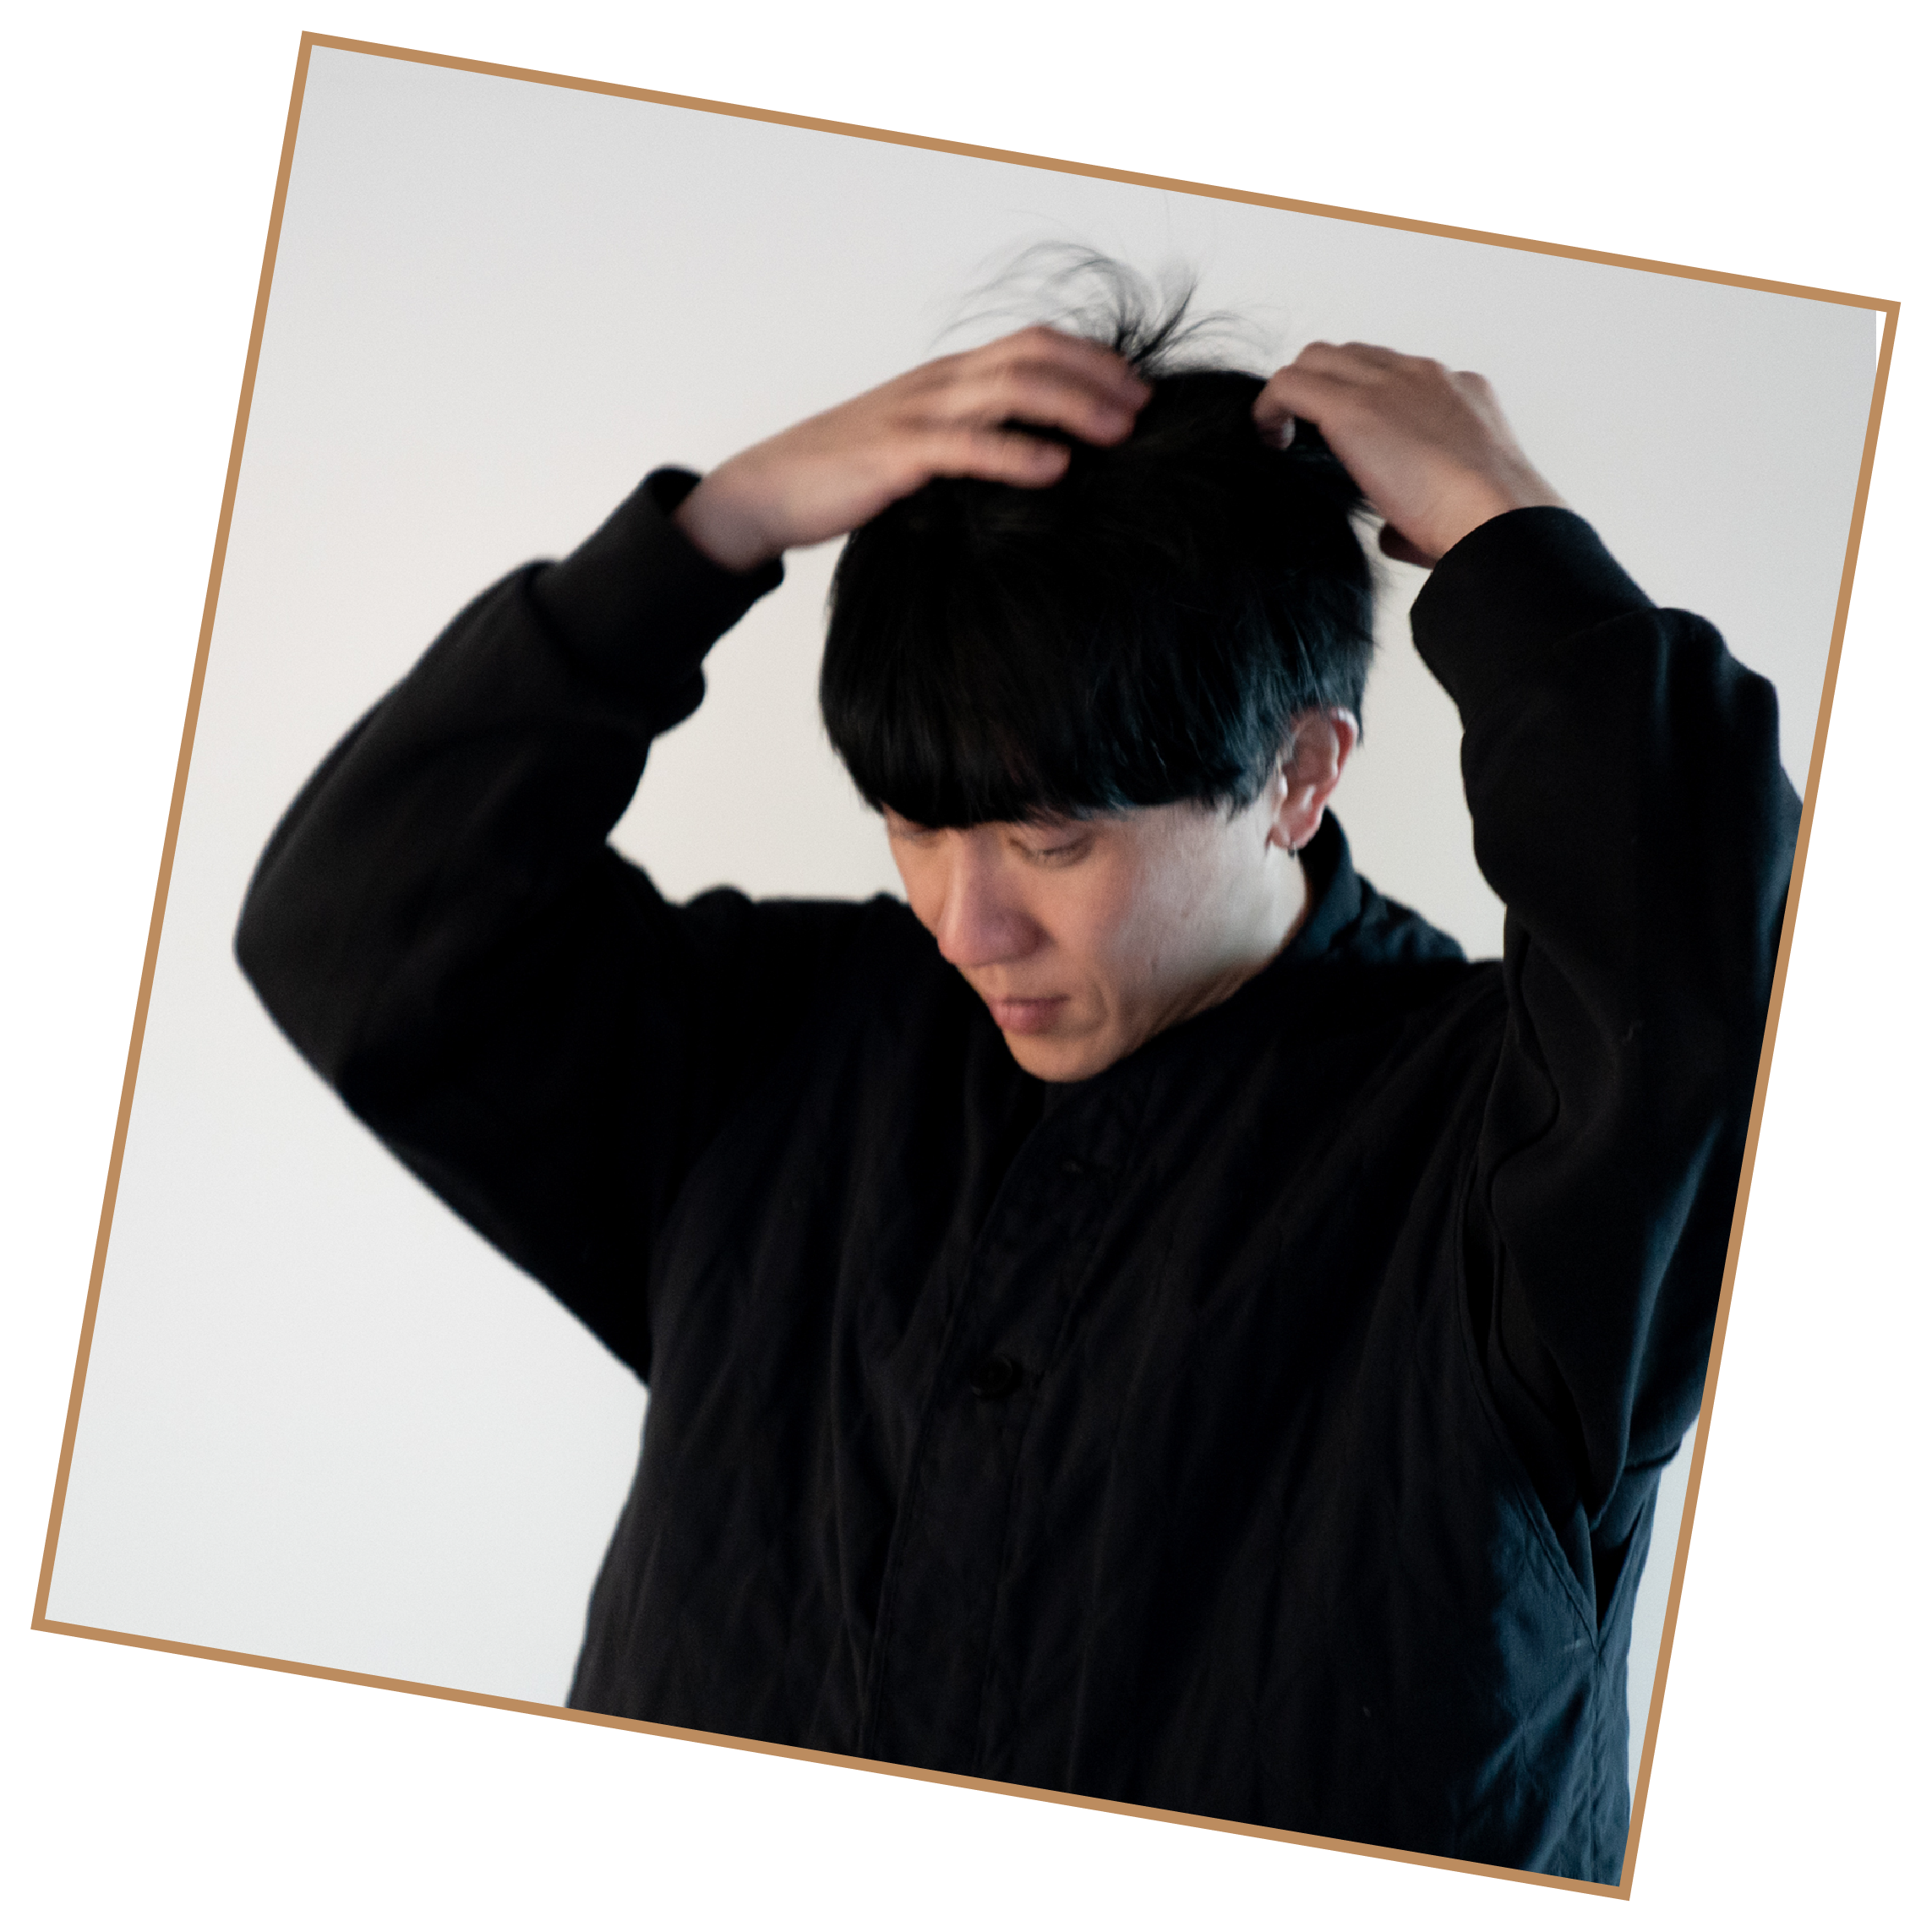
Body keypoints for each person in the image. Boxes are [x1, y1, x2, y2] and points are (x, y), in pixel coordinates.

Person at [235, 272, 1798, 1883]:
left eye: (1053, 842)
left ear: (1298, 771)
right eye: (916, 825)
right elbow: (360, 925)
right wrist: (715, 528)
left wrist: (1505, 534)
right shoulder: (773, 1050)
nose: (964, 924)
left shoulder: (1509, 1148)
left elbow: (1707, 976)